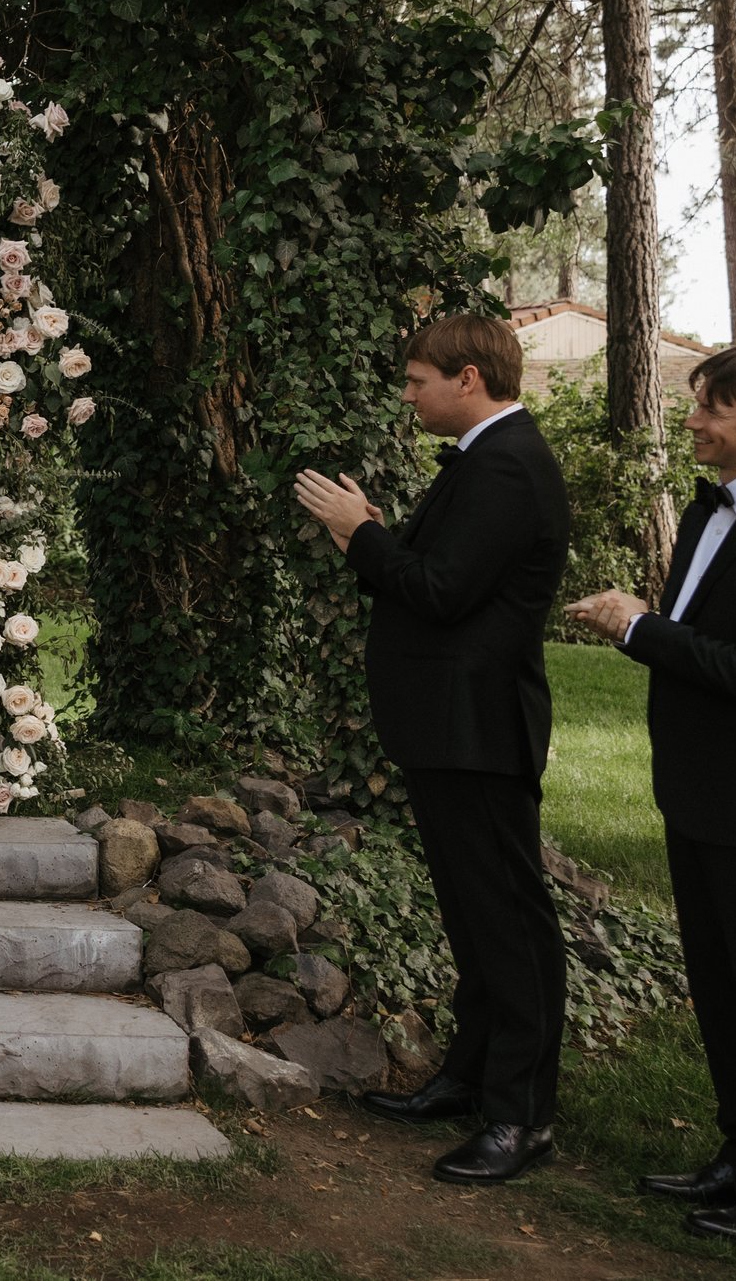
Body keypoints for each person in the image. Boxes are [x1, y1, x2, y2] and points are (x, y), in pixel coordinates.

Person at [294, 314, 570, 1185]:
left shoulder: (510, 466)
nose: (407, 395)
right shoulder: (486, 460)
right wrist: (369, 534)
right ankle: (470, 1076)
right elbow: (436, 576)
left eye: (417, 381)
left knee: (510, 924)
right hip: (450, 728)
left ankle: (522, 1116)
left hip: (480, 728)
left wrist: (362, 532)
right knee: (473, 916)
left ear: (468, 379)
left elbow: (441, 594)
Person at [567, 340, 736, 1251]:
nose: (696, 419)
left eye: (713, 407)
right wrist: (651, 627)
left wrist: (640, 628)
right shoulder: (720, 509)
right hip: (702, 793)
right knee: (721, 982)